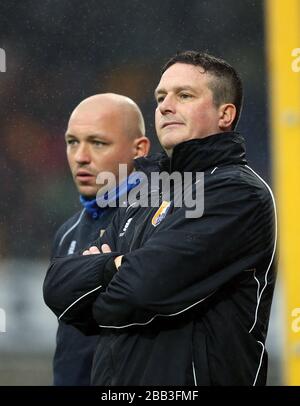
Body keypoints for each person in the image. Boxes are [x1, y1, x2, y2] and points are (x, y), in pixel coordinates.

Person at [44, 51, 277, 386]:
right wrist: (117, 267)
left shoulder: (237, 193)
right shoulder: (146, 191)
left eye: (184, 95)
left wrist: (106, 274)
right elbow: (58, 291)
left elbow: (141, 290)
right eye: (160, 97)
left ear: (225, 114)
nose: (166, 106)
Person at [49, 93, 150, 385]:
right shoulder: (68, 231)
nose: (81, 156)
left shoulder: (158, 221)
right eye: (72, 142)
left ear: (139, 149)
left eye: (98, 143)